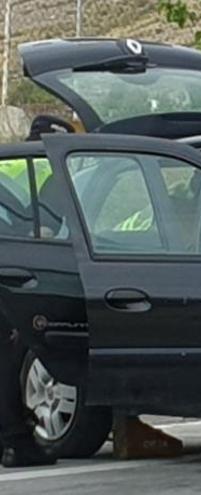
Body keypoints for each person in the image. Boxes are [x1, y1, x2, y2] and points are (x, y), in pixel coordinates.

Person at [0, 116, 74, 468]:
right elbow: (51, 228)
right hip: (20, 272)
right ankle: (16, 440)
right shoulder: (51, 170)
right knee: (9, 359)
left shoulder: (10, 161)